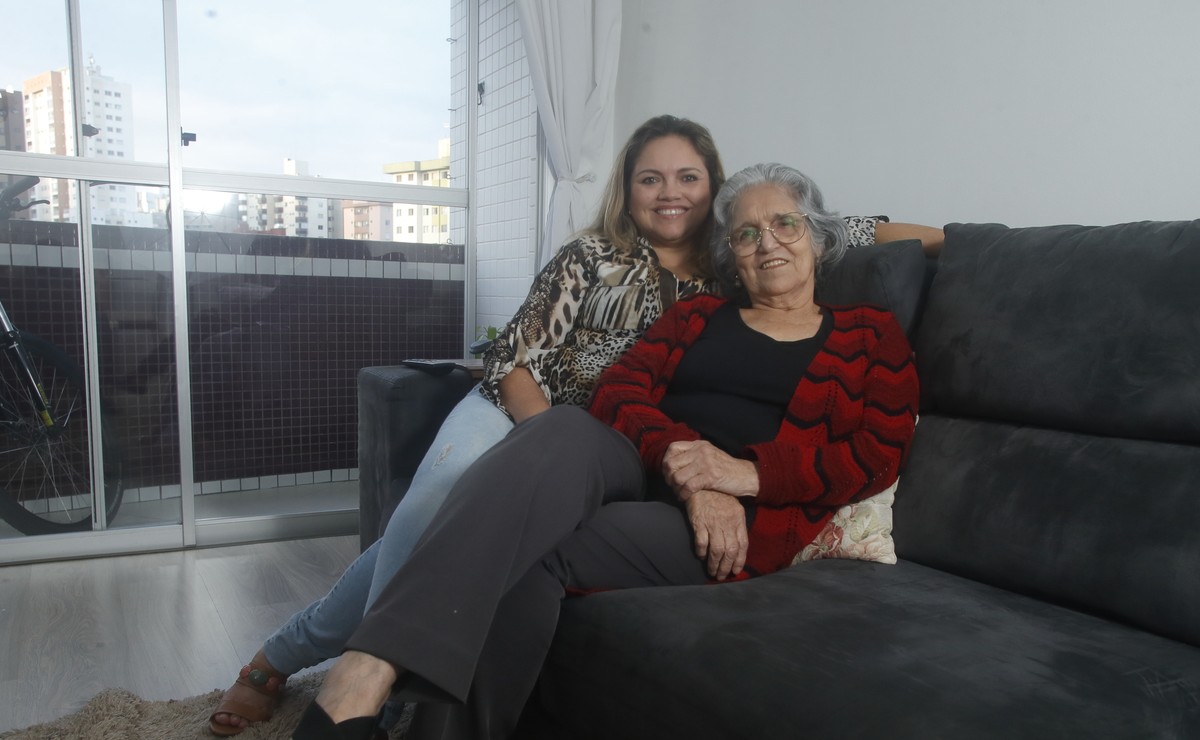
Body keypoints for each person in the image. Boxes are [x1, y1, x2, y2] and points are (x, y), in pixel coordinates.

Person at [209, 113, 937, 735]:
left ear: (817, 237)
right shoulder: (684, 302)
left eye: (785, 226)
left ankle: (374, 685)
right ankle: (364, 669)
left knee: (522, 547)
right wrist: (693, 469)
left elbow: (877, 452)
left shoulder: (866, 334)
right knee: (537, 444)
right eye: (747, 233)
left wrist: (743, 475)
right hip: (578, 437)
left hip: (728, 511)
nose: (767, 241)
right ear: (728, 246)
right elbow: (601, 386)